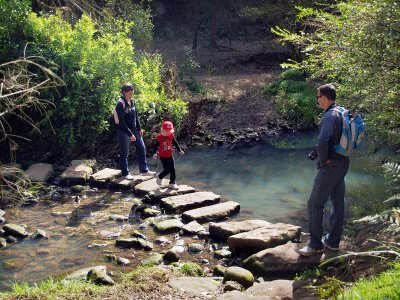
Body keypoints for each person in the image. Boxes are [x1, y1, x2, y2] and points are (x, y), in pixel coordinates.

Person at [299, 83, 350, 256]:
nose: (317, 100)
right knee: (338, 203)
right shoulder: (342, 111)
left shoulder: (329, 116)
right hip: (343, 163)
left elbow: (323, 142)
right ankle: (333, 242)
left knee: (314, 203)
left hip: (331, 166)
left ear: (325, 97)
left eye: (318, 97)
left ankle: (315, 244)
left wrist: (323, 160)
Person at [115, 83, 155, 179]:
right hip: (123, 130)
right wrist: (130, 134)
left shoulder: (133, 101)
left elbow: (136, 116)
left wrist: (139, 128)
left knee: (142, 148)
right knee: (124, 152)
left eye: (132, 93)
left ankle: (144, 170)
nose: (131, 95)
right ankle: (125, 173)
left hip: (134, 129)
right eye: (129, 93)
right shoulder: (120, 104)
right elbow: (121, 122)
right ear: (124, 93)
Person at [152, 121, 185, 190]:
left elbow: (175, 143)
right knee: (167, 170)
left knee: (173, 169)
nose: (169, 132)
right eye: (168, 131)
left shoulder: (171, 135)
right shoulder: (159, 137)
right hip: (163, 156)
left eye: (170, 131)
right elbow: (156, 146)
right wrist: (154, 153)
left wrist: (180, 150)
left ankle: (172, 183)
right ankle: (160, 176)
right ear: (162, 130)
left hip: (170, 155)